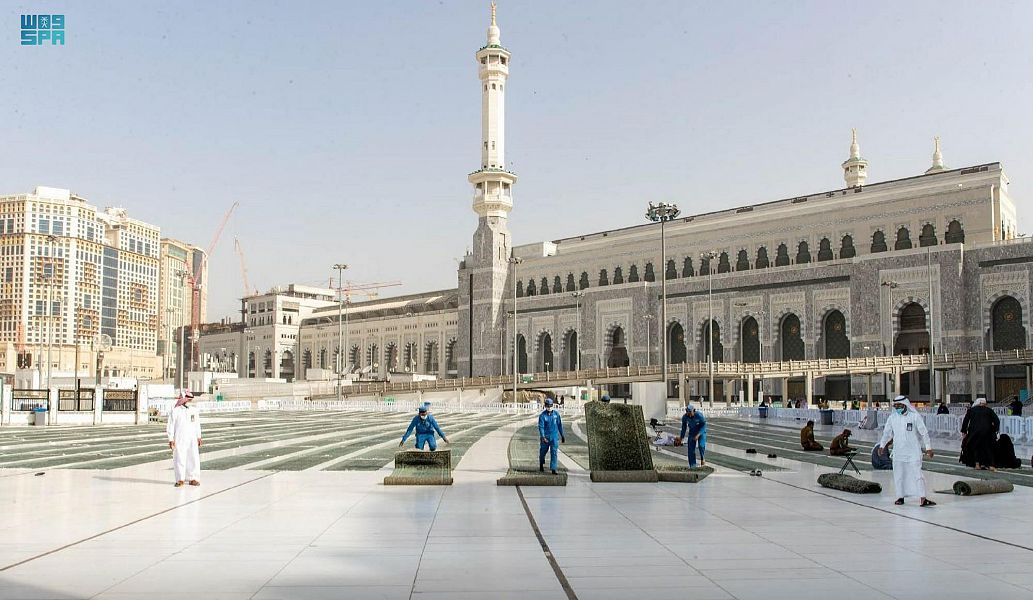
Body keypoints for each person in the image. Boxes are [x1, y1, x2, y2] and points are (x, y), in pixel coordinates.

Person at [877, 396, 935, 507]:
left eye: (899, 405)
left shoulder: (914, 416)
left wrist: (928, 448)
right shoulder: (892, 418)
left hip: (913, 451)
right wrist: (882, 446)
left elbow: (924, 433)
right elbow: (887, 433)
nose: (897, 408)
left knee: (918, 475)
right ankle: (900, 497)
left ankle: (923, 498)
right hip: (898, 452)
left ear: (905, 405)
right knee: (899, 475)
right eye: (895, 406)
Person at [166, 390, 202, 488]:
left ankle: (193, 478)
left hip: (192, 438)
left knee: (193, 458)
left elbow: (197, 424)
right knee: (179, 458)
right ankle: (180, 479)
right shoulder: (175, 411)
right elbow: (171, 425)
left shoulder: (193, 410)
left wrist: (199, 436)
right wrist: (171, 439)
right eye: (187, 399)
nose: (189, 401)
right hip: (180, 438)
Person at [960, 397, 999, 470]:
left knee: (976, 447)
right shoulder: (989, 410)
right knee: (988, 448)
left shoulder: (971, 410)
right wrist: (995, 430)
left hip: (974, 432)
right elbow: (997, 421)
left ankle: (977, 464)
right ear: (985, 404)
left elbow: (965, 421)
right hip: (987, 432)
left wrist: (964, 431)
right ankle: (991, 465)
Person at [538, 398, 565, 474]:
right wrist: (543, 437)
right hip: (545, 437)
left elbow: (559, 425)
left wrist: (562, 435)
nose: (549, 407)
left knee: (554, 452)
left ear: (552, 405)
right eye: (547, 406)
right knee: (543, 452)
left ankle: (553, 469)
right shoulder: (542, 416)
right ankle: (541, 464)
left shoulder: (556, 415)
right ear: (545, 406)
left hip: (554, 437)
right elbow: (541, 427)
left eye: (550, 405)